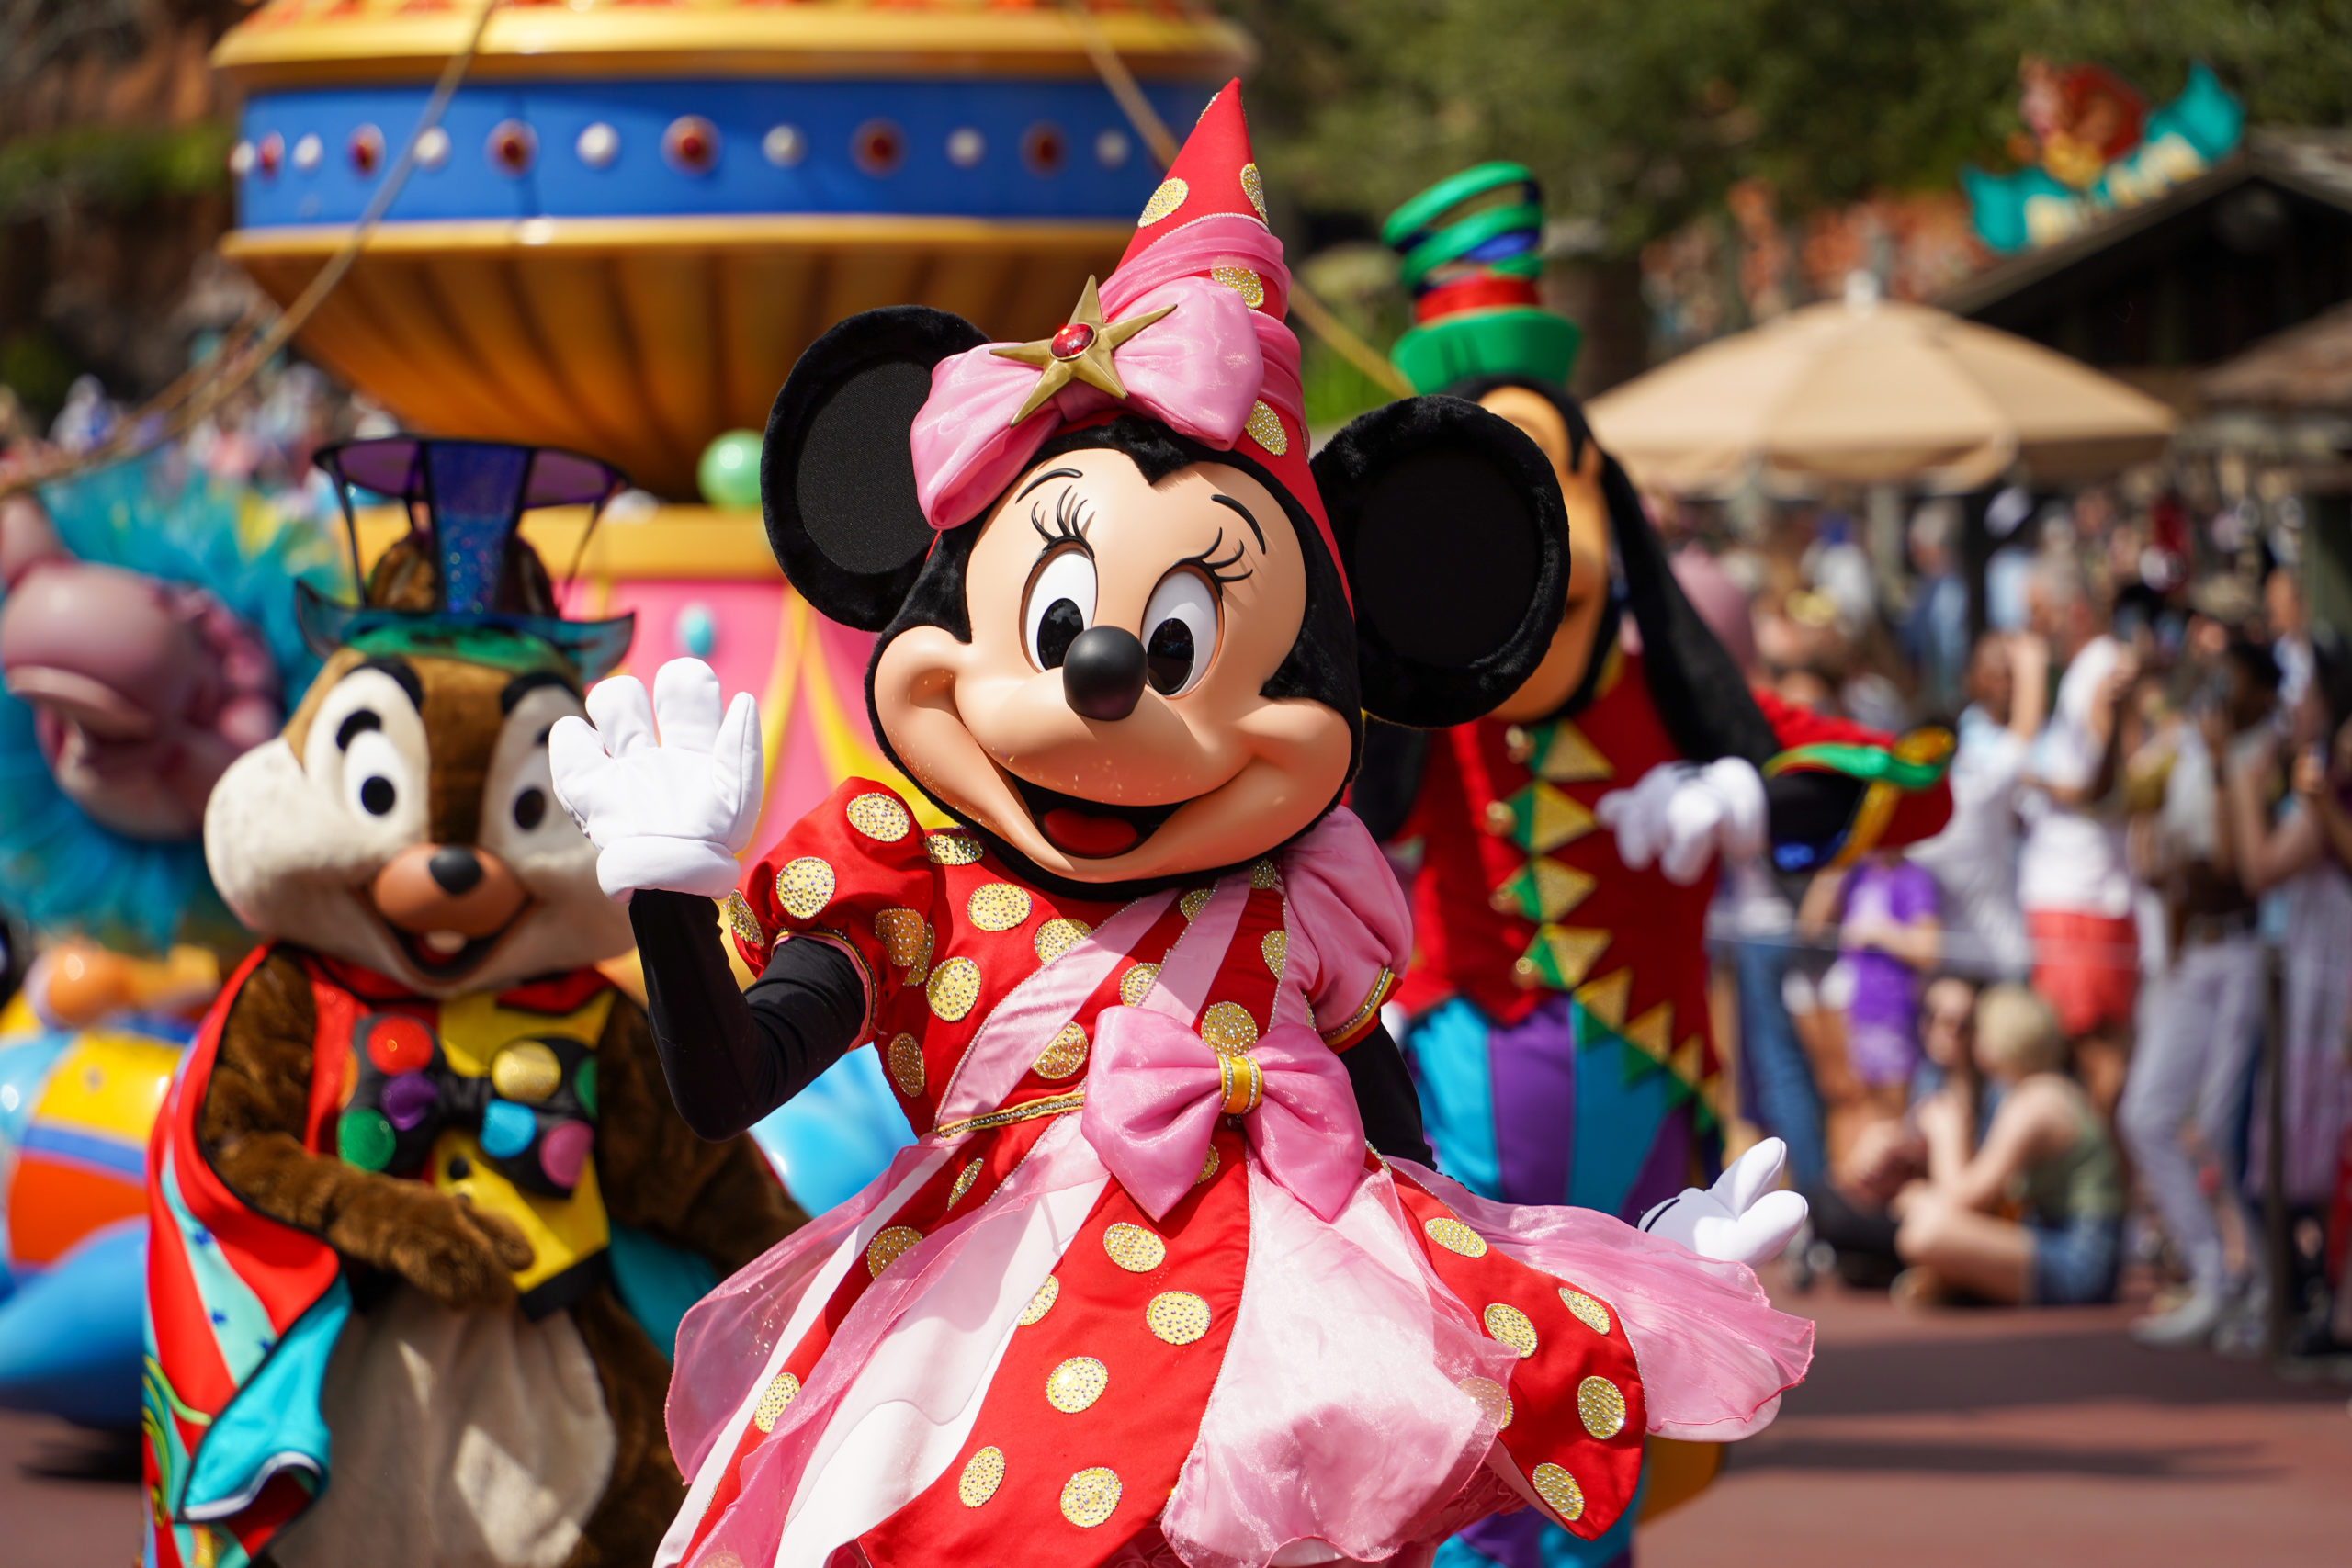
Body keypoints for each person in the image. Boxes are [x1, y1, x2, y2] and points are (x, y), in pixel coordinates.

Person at [550, 88, 1814, 1568]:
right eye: (1065, 624)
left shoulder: (1305, 907)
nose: (1097, 682)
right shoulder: (911, 876)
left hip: (1274, 1358)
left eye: (1177, 644)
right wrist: (668, 899)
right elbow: (728, 1079)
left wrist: (1638, 1294)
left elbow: (1417, 1183)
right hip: (975, 1355)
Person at [2118, 639, 2278, 1346]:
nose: (2217, 692)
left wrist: (2215, 766)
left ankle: (2266, 1284)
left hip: (2245, 952)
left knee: (2224, 1127)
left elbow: (2239, 869)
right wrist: (2145, 812)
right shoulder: (2182, 747)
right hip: (2190, 952)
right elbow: (2159, 870)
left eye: (2230, 679)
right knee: (2146, 1113)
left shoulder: (2263, 755)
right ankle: (2213, 1274)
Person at [2226, 627, 2352, 1348]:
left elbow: (2261, 867)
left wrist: (2249, 787)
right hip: (2305, 969)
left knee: (2320, 1130)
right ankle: (2307, 1286)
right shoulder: (2320, 774)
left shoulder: (2330, 782)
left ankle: (2320, 1293)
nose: (2294, 706)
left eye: (2306, 693)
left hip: (2329, 975)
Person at [1891, 984, 2124, 1306]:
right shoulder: (2046, 1090)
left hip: (2080, 1264)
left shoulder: (2034, 1104)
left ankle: (1956, 1284)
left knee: (1925, 1231)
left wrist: (1947, 1132)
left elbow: (1962, 1198)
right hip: (2063, 1243)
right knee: (1924, 1216)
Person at [2017, 559, 2139, 1113]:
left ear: (2076, 611)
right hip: (2076, 891)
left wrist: (2035, 776)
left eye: (2038, 613)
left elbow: (2111, 784)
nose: (2031, 626)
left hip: (2082, 893)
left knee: (2093, 1056)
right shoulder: (2090, 668)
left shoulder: (2101, 668)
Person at [1907, 630, 2046, 979]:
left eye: (2008, 669)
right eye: (1994, 667)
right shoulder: (1974, 783)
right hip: (1993, 959)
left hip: (1971, 957)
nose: (2002, 677)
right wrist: (2032, 662)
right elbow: (2021, 739)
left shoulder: (1918, 817)